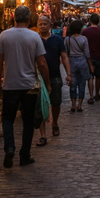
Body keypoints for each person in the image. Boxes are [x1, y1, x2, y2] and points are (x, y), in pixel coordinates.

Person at [0, 6, 51, 168]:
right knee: (28, 121)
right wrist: (47, 84)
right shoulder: (34, 37)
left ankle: (10, 147)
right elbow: (42, 63)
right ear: (28, 19)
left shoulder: (4, 35)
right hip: (29, 86)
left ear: (14, 17)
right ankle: (24, 155)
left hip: (10, 85)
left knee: (7, 118)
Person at [36, 16, 72, 145]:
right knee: (40, 105)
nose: (43, 26)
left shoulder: (57, 40)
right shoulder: (34, 40)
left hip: (55, 76)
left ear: (50, 25)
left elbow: (64, 56)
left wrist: (69, 73)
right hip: (38, 78)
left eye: (45, 24)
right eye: (40, 24)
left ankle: (55, 122)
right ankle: (43, 134)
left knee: (56, 103)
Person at [65, 19, 93, 112]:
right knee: (82, 83)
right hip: (82, 62)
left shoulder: (67, 39)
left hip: (71, 62)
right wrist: (90, 65)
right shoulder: (84, 39)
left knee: (72, 83)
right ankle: (79, 105)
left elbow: (65, 53)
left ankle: (73, 104)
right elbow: (87, 54)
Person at [82, 13, 100, 104]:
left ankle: (90, 96)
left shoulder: (85, 31)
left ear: (90, 21)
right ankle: (97, 94)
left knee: (90, 77)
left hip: (88, 57)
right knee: (98, 77)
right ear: (99, 21)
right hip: (99, 57)